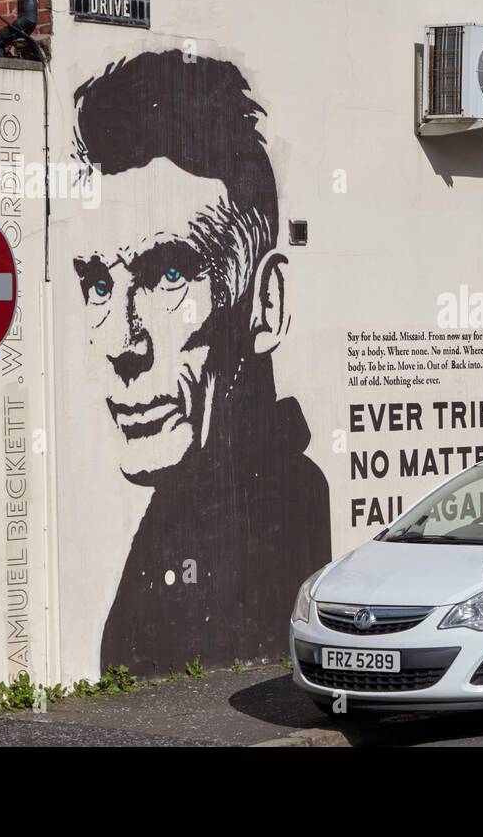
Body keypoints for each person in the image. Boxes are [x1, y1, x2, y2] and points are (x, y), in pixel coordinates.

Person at [70, 50, 330, 674]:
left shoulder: (279, 512)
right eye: (100, 285)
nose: (121, 342)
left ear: (263, 305)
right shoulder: (176, 521)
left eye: (168, 273)